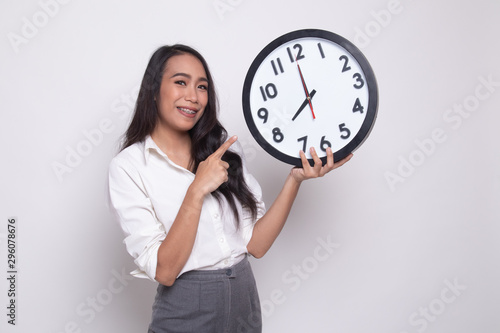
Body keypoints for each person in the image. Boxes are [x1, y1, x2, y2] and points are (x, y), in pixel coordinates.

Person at [107, 44, 352, 333]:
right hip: (185, 306)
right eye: (180, 82)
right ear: (153, 89)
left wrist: (294, 179)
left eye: (202, 86)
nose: (193, 97)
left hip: (243, 299)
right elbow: (165, 271)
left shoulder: (223, 148)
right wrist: (196, 190)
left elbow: (255, 246)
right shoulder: (129, 166)